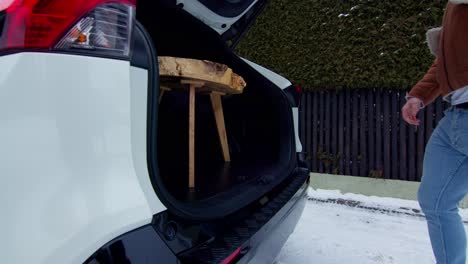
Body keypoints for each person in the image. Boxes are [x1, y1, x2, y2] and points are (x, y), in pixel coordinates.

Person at [402, 1, 468, 263]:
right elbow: (445, 61)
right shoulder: (454, 7)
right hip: (455, 118)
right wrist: (418, 96)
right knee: (435, 201)